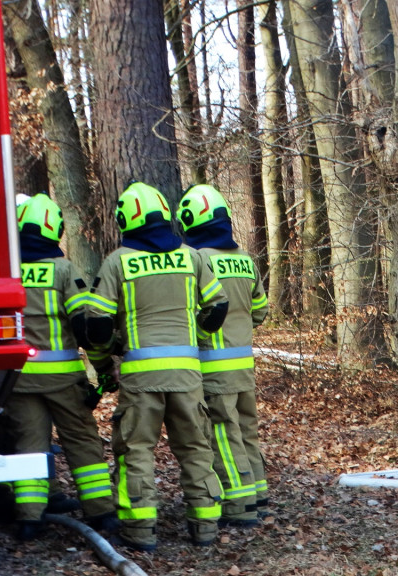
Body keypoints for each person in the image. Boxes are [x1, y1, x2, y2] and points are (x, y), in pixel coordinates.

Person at [82, 182, 229, 551]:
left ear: (126, 219)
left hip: (141, 378)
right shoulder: (192, 257)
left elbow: (96, 325)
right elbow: (218, 306)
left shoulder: (118, 262)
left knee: (137, 451)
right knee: (196, 448)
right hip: (187, 375)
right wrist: (191, 335)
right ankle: (205, 525)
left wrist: (107, 359)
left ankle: (140, 530)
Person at [9, 193, 119, 541]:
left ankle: (29, 518)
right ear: (53, 228)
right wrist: (102, 369)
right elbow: (84, 326)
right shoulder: (63, 270)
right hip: (62, 380)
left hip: (18, 380)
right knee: (83, 443)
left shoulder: (8, 272)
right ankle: (101, 513)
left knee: (28, 446)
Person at [178, 184, 269, 525]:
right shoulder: (245, 260)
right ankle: (258, 495)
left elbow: (191, 311)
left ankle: (238, 505)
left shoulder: (197, 259)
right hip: (244, 364)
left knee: (224, 436)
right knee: (247, 431)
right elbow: (259, 311)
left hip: (213, 366)